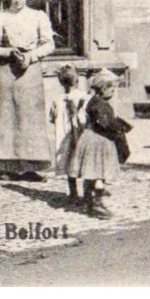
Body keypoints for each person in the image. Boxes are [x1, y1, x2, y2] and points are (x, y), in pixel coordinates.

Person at [0, 0, 56, 180]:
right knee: (7, 115)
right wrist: (8, 52)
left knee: (30, 116)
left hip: (30, 68)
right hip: (7, 67)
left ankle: (30, 166)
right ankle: (6, 166)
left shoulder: (38, 16)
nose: (17, 0)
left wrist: (31, 56)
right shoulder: (1, 17)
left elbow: (49, 43)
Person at [68, 71, 123, 217]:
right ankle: (97, 204)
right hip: (98, 140)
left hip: (91, 138)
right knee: (99, 174)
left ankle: (89, 199)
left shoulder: (93, 101)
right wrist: (118, 129)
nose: (113, 92)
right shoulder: (100, 105)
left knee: (92, 171)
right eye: (112, 89)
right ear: (103, 89)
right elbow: (104, 123)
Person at [50, 65, 89, 206]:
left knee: (69, 162)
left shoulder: (57, 100)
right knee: (84, 161)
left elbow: (51, 117)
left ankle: (73, 193)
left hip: (64, 138)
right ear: (77, 80)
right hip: (80, 134)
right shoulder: (83, 96)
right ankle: (87, 192)